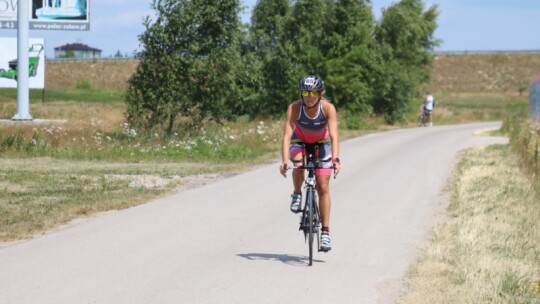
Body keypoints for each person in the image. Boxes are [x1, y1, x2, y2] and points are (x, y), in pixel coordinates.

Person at [279, 75, 341, 252]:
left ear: (320, 93)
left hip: (322, 144)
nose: (309, 96)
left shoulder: (328, 108)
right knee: (298, 164)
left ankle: (326, 233)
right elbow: (286, 136)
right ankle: (297, 193)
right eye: (305, 92)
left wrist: (336, 159)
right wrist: (284, 161)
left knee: (323, 186)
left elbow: (335, 136)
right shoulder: (295, 108)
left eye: (313, 92)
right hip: (299, 141)